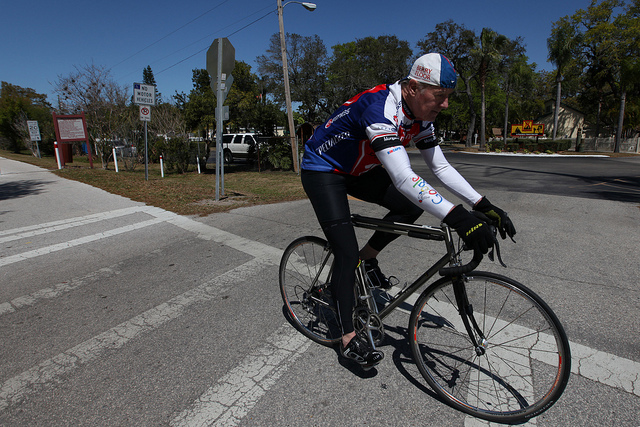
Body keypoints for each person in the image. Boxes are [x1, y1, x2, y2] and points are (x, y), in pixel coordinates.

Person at [300, 53, 516, 369]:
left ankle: (368, 257)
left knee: (408, 207)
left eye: (448, 97)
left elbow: (439, 166)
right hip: (324, 169)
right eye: (439, 96)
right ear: (413, 88)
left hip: (360, 170)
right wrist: (458, 217)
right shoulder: (381, 110)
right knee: (344, 252)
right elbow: (403, 177)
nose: (445, 105)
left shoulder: (421, 116)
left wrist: (482, 204)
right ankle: (347, 339)